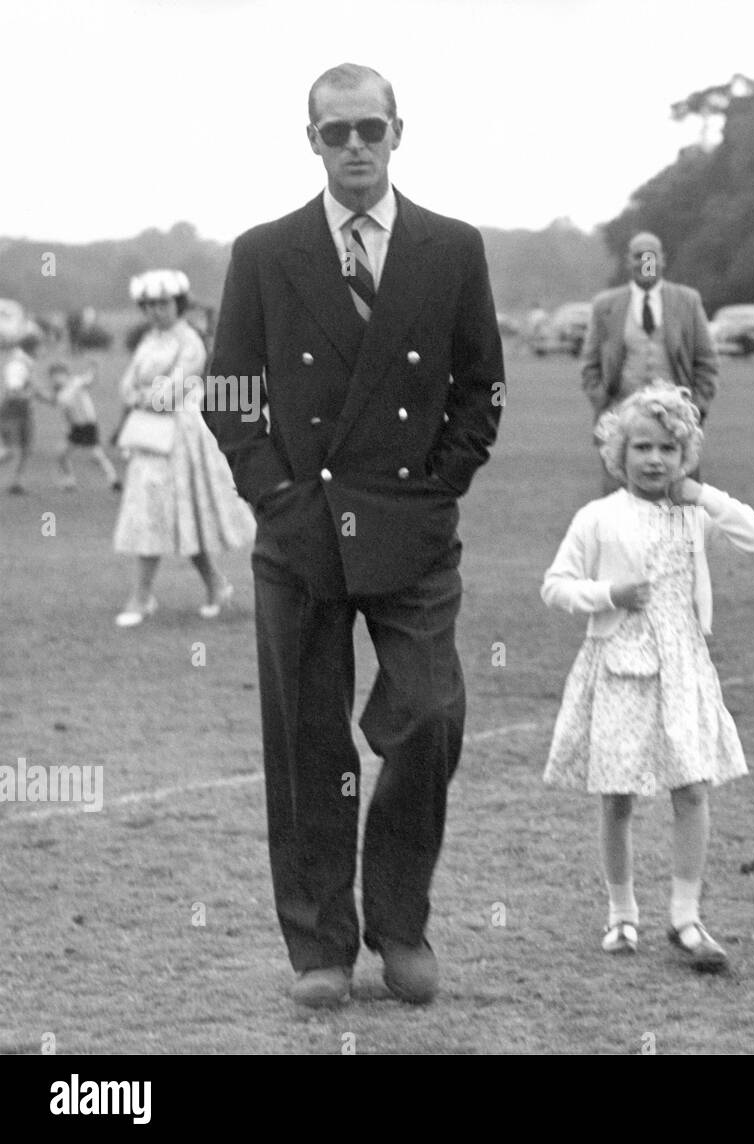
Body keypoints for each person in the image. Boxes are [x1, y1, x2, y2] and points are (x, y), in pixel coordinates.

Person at [203, 63, 505, 1009]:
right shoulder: (265, 251)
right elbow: (231, 391)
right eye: (336, 133)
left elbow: (480, 387)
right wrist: (275, 496)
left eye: (370, 129)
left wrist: (438, 488)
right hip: (300, 537)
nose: (356, 147)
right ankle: (321, 948)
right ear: (313, 142)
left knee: (428, 716)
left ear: (399, 132)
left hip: (411, 531)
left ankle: (401, 923)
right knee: (306, 742)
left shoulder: (451, 248)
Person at [541, 382, 754, 971]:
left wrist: (702, 494)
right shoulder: (598, 517)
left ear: (685, 455)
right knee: (618, 795)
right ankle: (621, 913)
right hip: (619, 664)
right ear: (619, 453)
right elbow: (556, 586)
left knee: (691, 786)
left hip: (683, 665)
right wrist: (607, 593)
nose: (654, 460)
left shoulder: (694, 512)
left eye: (668, 449)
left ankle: (686, 917)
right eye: (642, 447)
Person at [112, 270, 254, 627]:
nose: (156, 311)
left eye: (163, 304)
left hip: (182, 437)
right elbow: (126, 387)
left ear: (178, 304)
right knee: (154, 512)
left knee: (179, 513)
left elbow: (171, 393)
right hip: (149, 438)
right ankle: (197, 587)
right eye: (150, 305)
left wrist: (147, 395)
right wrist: (146, 395)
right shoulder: (149, 340)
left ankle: (151, 595)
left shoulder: (189, 340)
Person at [580, 232, 718, 492]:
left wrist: (695, 410)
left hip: (676, 424)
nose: (645, 261)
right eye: (638, 256)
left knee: (679, 507)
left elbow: (707, 362)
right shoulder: (605, 305)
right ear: (628, 261)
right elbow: (590, 366)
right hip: (621, 422)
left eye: (651, 255)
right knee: (618, 509)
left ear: (662, 260)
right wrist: (604, 404)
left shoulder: (687, 301)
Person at [46, 362, 120, 492]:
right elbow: (66, 413)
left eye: (58, 375)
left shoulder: (75, 383)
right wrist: (68, 427)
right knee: (62, 454)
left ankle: (113, 480)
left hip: (87, 425)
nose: (56, 379)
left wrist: (93, 369)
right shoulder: (61, 394)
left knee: (96, 454)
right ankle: (70, 481)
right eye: (53, 377)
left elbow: (88, 380)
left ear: (65, 375)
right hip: (76, 427)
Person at [0, 335, 41, 494]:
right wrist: (31, 394)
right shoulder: (17, 365)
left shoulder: (28, 363)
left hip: (25, 412)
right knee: (10, 452)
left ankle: (17, 483)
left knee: (27, 448)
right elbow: (14, 391)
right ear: (32, 348)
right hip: (11, 413)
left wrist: (51, 399)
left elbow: (33, 389)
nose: (42, 351)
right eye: (40, 347)